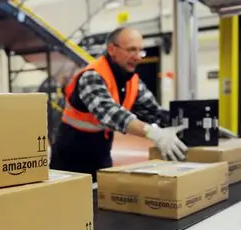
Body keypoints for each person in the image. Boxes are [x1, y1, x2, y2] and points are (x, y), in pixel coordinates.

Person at [49, 26, 187, 182]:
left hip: (101, 151)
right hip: (70, 156)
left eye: (140, 51)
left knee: (99, 197)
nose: (137, 57)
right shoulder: (92, 76)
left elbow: (154, 112)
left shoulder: (133, 81)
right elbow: (110, 113)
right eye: (131, 50)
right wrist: (153, 133)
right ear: (112, 49)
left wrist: (196, 124)